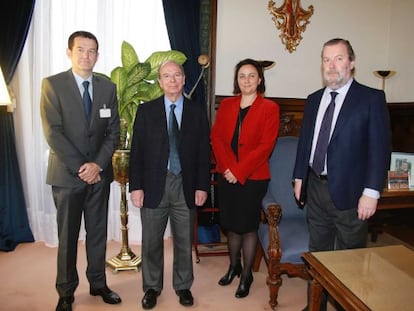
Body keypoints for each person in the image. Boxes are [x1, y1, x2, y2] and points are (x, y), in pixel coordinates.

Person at [292, 38, 391, 309]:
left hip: (352, 193)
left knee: (350, 259)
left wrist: (371, 192)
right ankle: (317, 305)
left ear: (351, 62)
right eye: (326, 59)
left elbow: (380, 150)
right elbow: (306, 143)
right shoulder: (313, 99)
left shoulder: (371, 99)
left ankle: (348, 305)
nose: (331, 65)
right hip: (315, 188)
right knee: (318, 254)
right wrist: (299, 176)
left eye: (338, 58)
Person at [40, 31, 121, 311]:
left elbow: (113, 132)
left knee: (98, 233)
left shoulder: (107, 88)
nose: (87, 55)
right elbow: (54, 133)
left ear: (98, 55)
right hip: (66, 176)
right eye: (81, 50)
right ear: (69, 52)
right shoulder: (52, 85)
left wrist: (97, 165)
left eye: (92, 51)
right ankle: (65, 291)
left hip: (99, 176)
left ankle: (98, 283)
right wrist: (81, 168)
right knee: (68, 236)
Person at [129, 60, 211, 309]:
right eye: (167, 76)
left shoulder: (197, 111)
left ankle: (183, 286)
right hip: (154, 184)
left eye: (177, 75)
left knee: (184, 240)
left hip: (185, 184)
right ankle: (152, 287)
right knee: (152, 240)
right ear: (160, 81)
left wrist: (202, 186)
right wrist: (136, 187)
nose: (173, 80)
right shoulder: (146, 111)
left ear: (184, 79)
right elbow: (137, 152)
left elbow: (202, 153)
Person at [211, 58, 280, 298]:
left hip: (253, 178)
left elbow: (265, 146)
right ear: (236, 80)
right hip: (226, 174)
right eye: (242, 76)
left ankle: (247, 274)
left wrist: (239, 171)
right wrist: (230, 168)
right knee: (230, 225)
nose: (247, 80)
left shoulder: (270, 108)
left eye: (252, 75)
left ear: (260, 80)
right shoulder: (227, 105)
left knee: (247, 226)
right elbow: (217, 138)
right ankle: (234, 267)